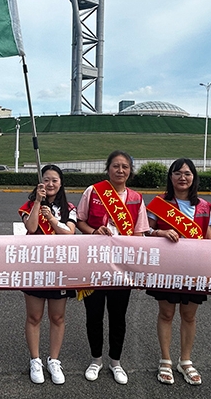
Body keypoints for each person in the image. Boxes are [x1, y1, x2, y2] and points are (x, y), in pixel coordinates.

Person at [76, 150, 149, 385]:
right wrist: (93, 231)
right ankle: (96, 359)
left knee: (118, 316)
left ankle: (116, 361)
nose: (120, 170)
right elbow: (80, 221)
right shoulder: (93, 191)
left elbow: (139, 234)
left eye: (125, 167)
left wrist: (137, 269)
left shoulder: (136, 198)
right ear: (108, 169)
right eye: (116, 166)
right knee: (94, 315)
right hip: (94, 264)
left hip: (122, 267)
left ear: (130, 171)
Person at [145, 158, 211, 385]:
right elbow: (145, 232)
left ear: (194, 177)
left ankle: (185, 361)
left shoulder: (204, 206)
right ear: (171, 177)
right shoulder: (159, 204)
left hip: (195, 269)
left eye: (187, 173)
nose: (182, 178)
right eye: (177, 173)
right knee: (166, 314)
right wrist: (161, 233)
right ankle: (165, 360)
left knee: (189, 316)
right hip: (167, 268)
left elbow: (210, 238)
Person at [18, 165, 77, 385]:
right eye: (46, 180)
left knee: (57, 317)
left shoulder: (69, 208)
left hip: (60, 268)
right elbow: (32, 227)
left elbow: (69, 233)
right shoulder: (28, 205)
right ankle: (35, 360)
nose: (50, 184)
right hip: (34, 266)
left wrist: (52, 219)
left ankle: (54, 360)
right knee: (34, 317)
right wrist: (37, 202)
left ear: (61, 183)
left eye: (54, 180)